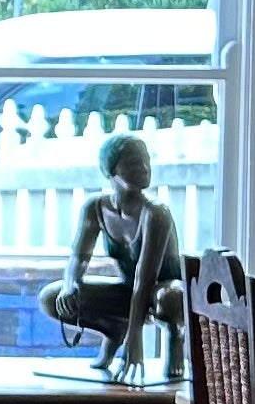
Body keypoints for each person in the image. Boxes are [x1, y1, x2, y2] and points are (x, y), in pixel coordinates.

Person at [44, 131, 188, 383]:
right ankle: (113, 328)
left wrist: (135, 338)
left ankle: (176, 335)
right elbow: (78, 258)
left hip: (161, 292)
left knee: (168, 298)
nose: (144, 168)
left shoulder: (156, 213)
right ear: (111, 170)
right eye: (133, 162)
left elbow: (146, 276)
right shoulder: (96, 208)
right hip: (128, 290)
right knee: (51, 298)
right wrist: (70, 285)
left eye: (146, 160)